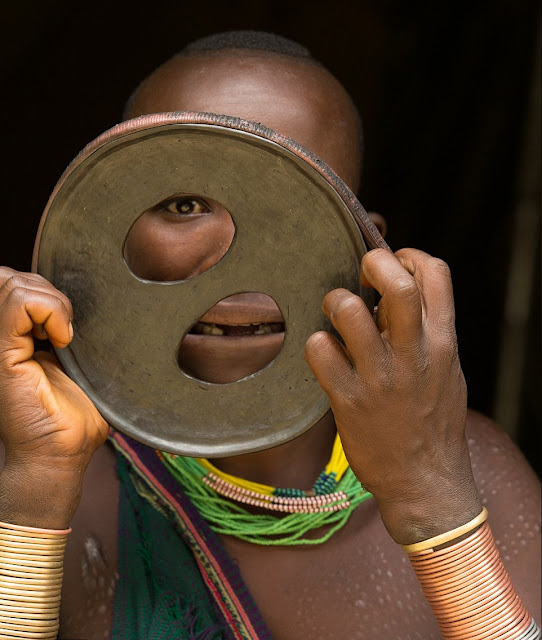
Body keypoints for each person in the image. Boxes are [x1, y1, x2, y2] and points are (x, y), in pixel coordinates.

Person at [0, 30, 540, 640]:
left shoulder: (472, 468)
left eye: (288, 209)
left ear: (367, 252)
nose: (233, 263)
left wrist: (428, 490)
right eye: (183, 205)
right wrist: (35, 489)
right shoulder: (54, 479)